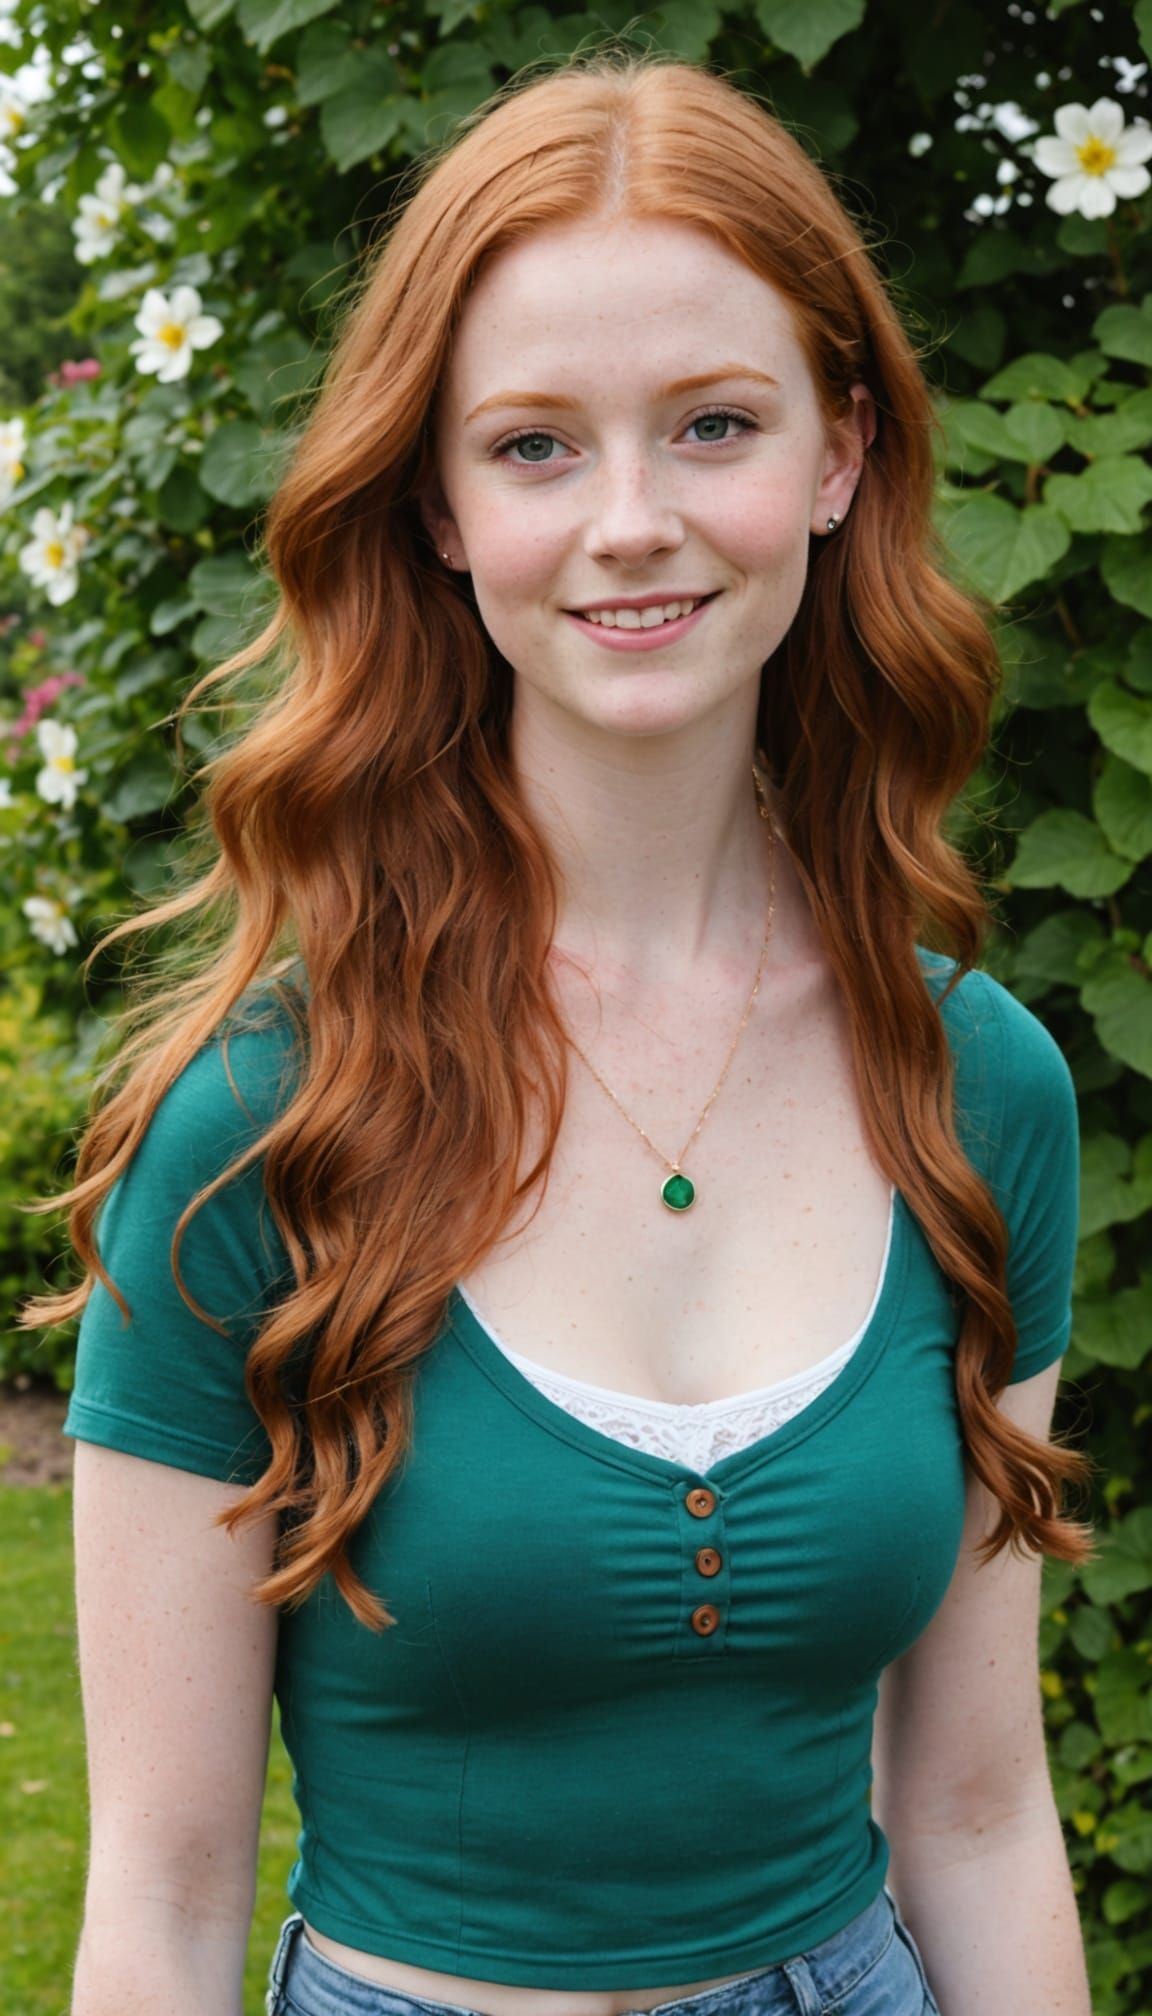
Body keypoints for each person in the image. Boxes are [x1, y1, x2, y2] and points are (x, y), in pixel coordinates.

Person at [28, 45, 1096, 2016]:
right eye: (533, 446)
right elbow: (161, 1907)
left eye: (714, 425)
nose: (632, 521)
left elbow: (973, 1810)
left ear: (840, 457)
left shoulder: (981, 1091)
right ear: (436, 506)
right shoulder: (260, 1126)